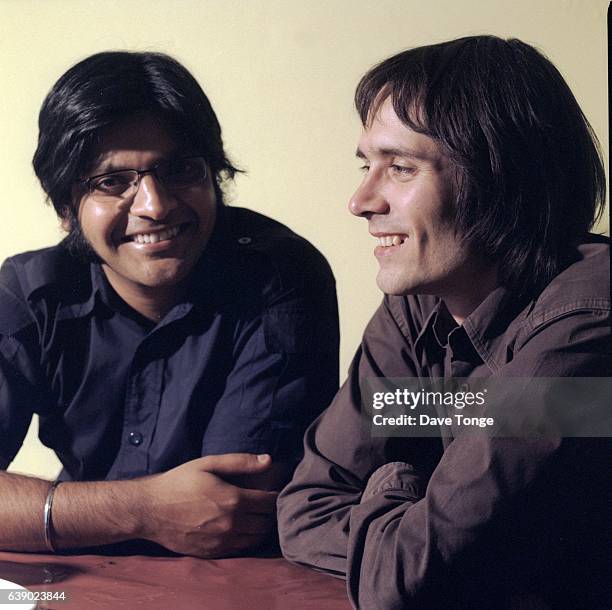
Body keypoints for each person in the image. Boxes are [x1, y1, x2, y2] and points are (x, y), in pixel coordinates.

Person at [277, 35, 611, 608]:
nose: (360, 201)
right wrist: (412, 523)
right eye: (368, 165)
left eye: (401, 168)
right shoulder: (418, 305)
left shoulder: (588, 324)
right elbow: (306, 511)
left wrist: (390, 488)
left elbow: (408, 578)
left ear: (502, 180)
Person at [0, 51, 339, 558]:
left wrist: (61, 511)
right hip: (83, 582)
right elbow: (180, 513)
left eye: (179, 169)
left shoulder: (278, 275)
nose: (155, 206)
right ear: (66, 209)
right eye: (112, 182)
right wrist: (143, 507)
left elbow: (227, 515)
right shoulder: (30, 293)